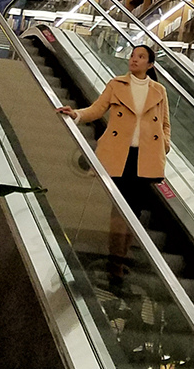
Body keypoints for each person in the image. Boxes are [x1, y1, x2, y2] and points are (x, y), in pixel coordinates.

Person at [57, 45, 171, 251]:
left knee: (134, 211)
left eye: (141, 57)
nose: (134, 59)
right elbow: (97, 109)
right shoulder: (116, 84)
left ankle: (121, 257)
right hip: (121, 154)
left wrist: (164, 145)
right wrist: (76, 114)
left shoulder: (158, 90)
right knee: (119, 209)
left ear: (150, 64)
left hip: (146, 157)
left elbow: (165, 124)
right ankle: (116, 262)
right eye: (133, 55)